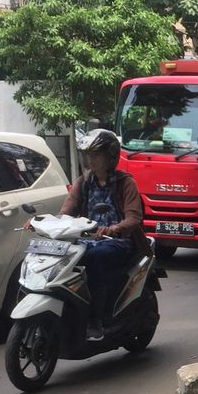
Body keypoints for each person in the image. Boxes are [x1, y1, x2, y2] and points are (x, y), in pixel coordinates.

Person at [32, 128, 149, 341]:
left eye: (95, 155)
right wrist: (43, 224)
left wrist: (114, 228)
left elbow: (134, 218)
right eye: (87, 155)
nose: (90, 160)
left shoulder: (126, 183)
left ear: (110, 156)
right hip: (86, 240)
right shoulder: (84, 182)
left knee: (93, 259)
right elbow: (66, 212)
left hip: (117, 242)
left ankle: (96, 319)